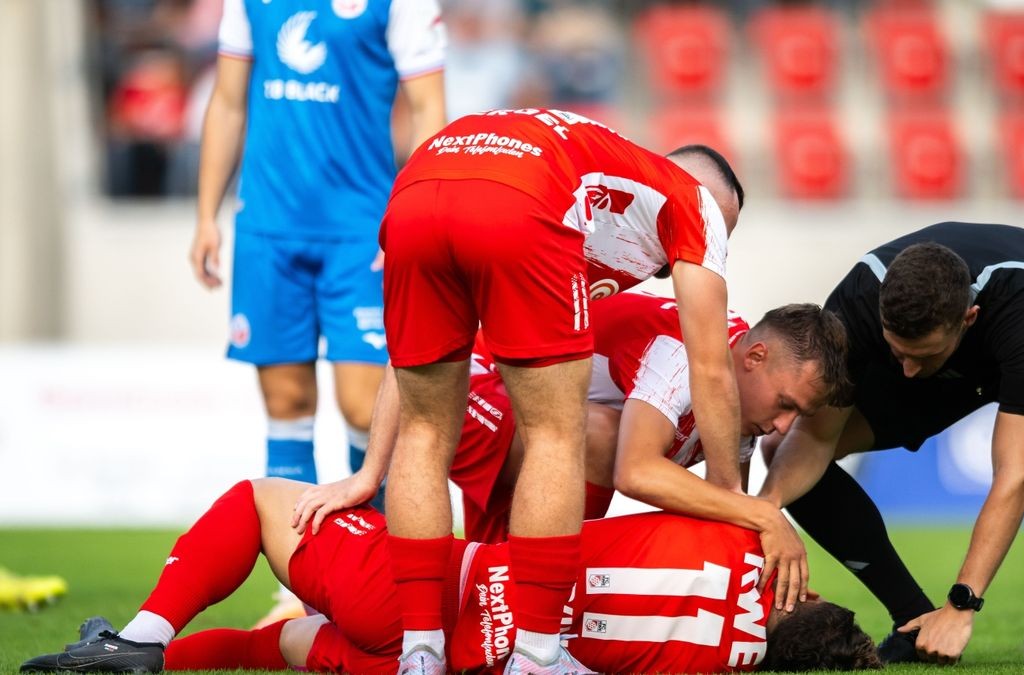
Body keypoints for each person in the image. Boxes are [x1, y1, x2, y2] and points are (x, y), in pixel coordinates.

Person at [377, 108, 749, 673]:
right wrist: (731, 506)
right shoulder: (689, 203)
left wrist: (370, 466)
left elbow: (407, 370)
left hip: (417, 183)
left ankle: (420, 652)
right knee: (557, 432)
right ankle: (537, 654)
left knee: (427, 430)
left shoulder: (608, 196)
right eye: (723, 234)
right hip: (516, 200)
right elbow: (713, 367)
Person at [294, 292, 849, 598]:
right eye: (784, 404)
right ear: (754, 357)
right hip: (473, 385)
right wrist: (763, 514)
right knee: (603, 439)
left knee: (478, 587)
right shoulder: (685, 354)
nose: (781, 427)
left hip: (528, 422)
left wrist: (782, 596)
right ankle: (552, 604)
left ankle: (332, 601)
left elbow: (723, 518)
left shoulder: (741, 400)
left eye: (796, 416)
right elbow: (634, 472)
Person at [20, 479, 883, 674]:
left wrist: (768, 519)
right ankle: (147, 664)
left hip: (433, 589)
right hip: (425, 664)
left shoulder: (736, 539)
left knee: (257, 504)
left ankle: (140, 639)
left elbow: (643, 467)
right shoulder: (719, 668)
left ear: (793, 593)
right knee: (270, 644)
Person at [186, 0, 445, 623]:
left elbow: (429, 108)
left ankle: (380, 571)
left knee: (365, 407)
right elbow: (226, 102)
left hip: (362, 231)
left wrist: (415, 216)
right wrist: (205, 215)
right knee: (286, 406)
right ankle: (299, 591)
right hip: (268, 228)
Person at [759, 222, 1024, 665]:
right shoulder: (854, 307)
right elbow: (816, 436)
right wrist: (762, 511)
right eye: (897, 351)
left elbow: (1015, 473)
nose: (906, 370)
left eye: (920, 355)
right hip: (948, 364)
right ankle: (913, 621)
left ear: (968, 318)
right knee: (781, 454)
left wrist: (962, 605)